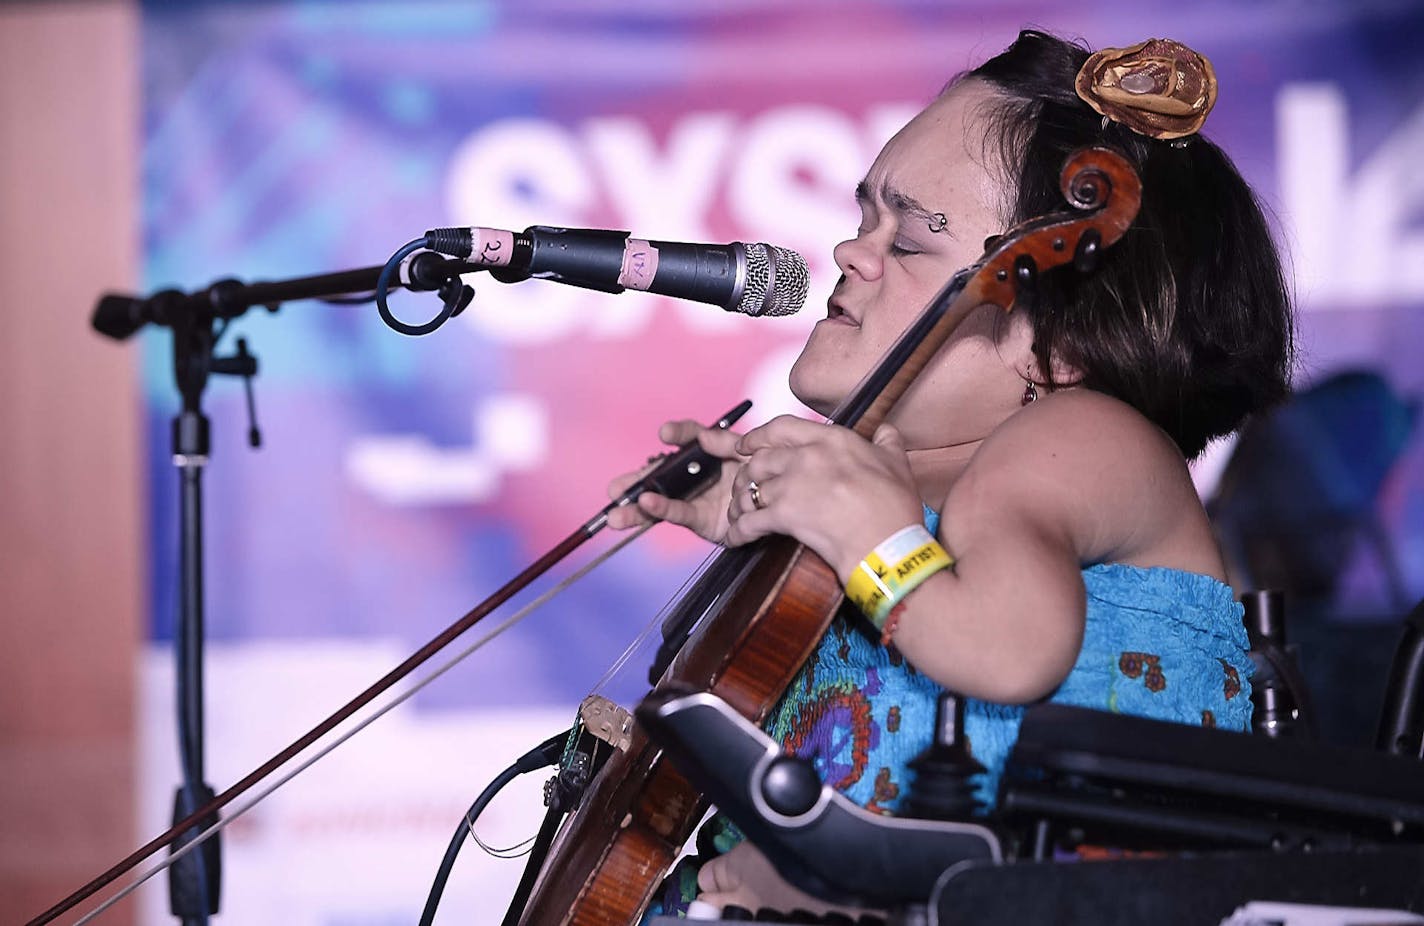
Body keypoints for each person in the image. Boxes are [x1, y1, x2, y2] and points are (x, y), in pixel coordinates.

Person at [607, 29, 1293, 916]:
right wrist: (771, 508)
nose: (853, 254)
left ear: (1062, 343)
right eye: (865, 220)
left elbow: (1007, 652)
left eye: (910, 241)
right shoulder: (895, 482)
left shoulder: (1084, 439)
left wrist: (861, 526)